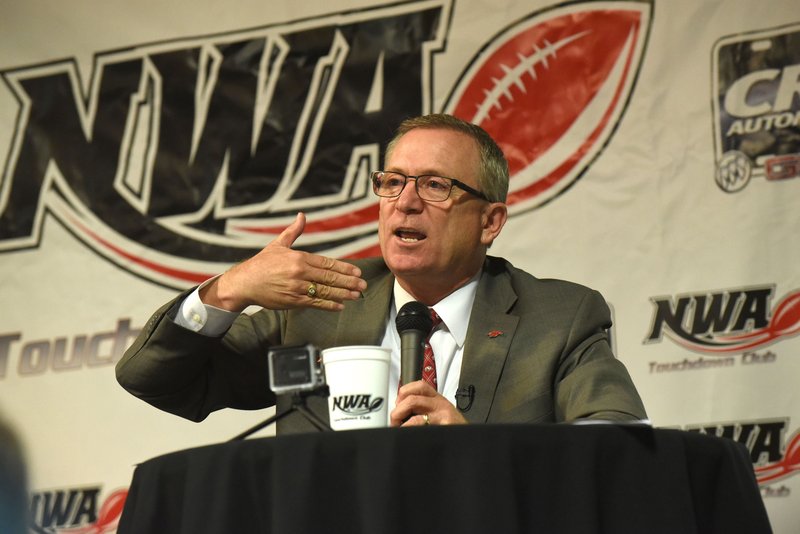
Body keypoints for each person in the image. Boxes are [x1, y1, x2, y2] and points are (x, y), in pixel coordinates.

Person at [116, 113, 646, 433]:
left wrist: (479, 453)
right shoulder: (317, 309)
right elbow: (154, 380)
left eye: (435, 186)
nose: (405, 203)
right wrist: (226, 292)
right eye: (392, 182)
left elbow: (616, 442)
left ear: (490, 221)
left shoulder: (558, 318)